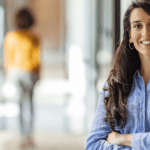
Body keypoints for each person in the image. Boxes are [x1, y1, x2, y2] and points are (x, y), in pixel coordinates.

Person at [85, 1, 150, 149]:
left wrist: (122, 139)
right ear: (130, 36)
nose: (146, 32)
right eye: (137, 26)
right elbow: (93, 145)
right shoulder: (115, 84)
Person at [3, 7, 40, 147]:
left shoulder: (10, 37)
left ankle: (22, 136)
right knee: (29, 104)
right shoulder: (34, 37)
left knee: (19, 104)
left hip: (15, 73)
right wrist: (39, 76)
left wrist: (8, 75)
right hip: (29, 72)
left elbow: (8, 58)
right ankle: (29, 135)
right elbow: (37, 59)